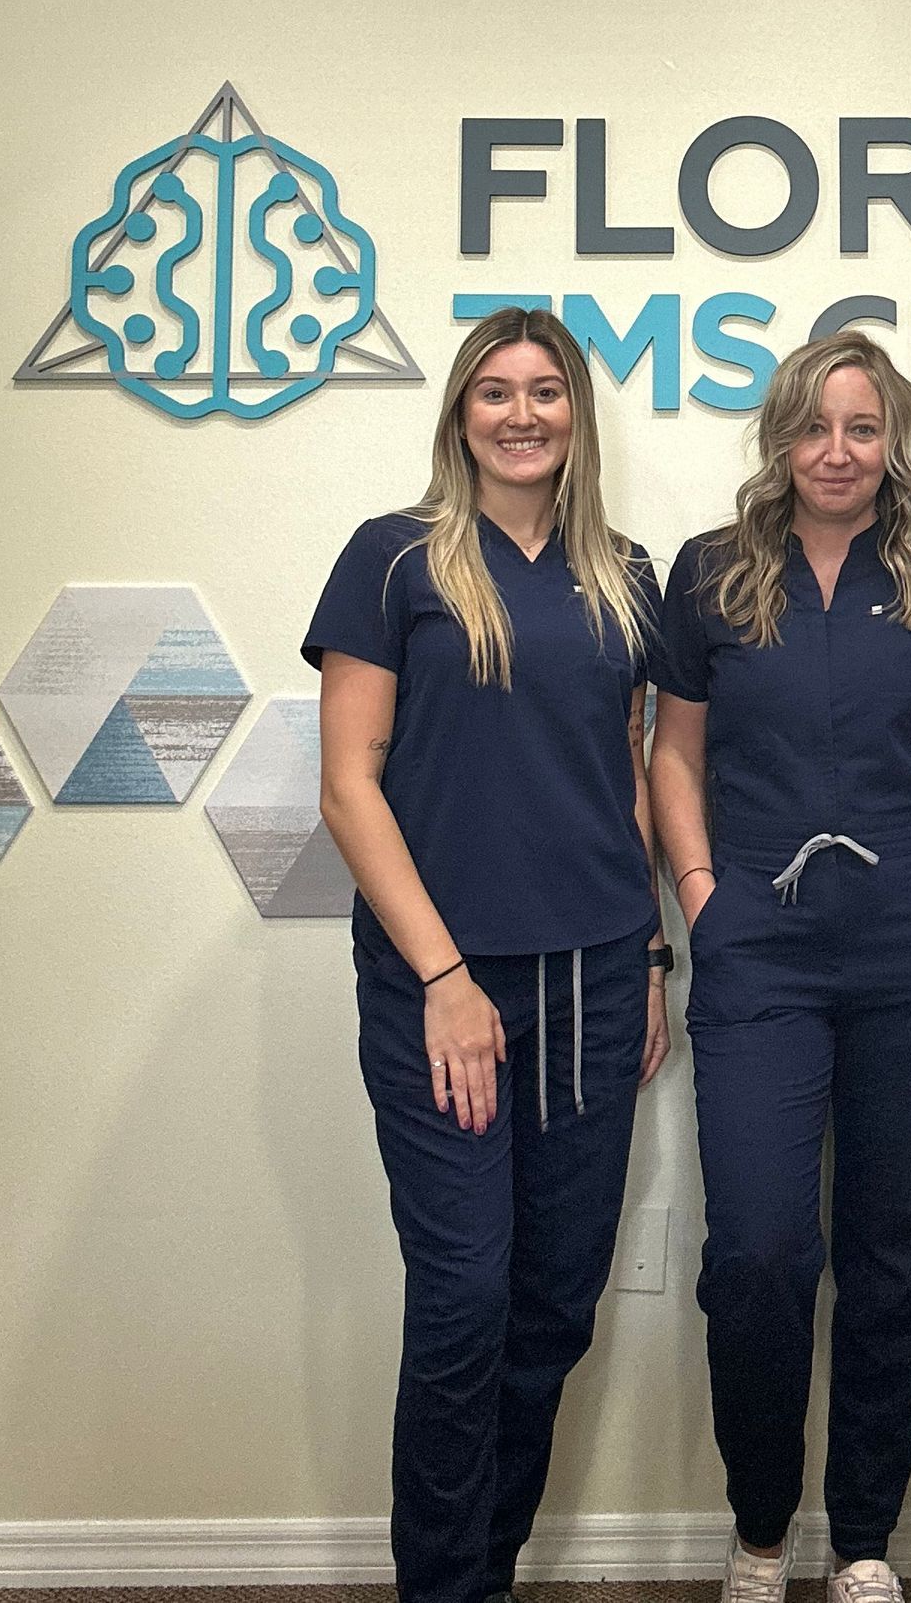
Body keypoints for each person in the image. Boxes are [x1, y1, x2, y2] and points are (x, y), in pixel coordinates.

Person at [305, 304, 670, 1603]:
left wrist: (648, 963)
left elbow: (626, 773)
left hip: (594, 970)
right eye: (495, 393)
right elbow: (350, 784)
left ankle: (483, 1576)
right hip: (442, 984)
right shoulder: (396, 561)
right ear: (459, 414)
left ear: (577, 413)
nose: (523, 415)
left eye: (547, 392)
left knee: (554, 1311)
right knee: (464, 1301)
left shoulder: (626, 574)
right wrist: (446, 981)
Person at [650, 331, 911, 1603]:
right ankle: (758, 1528)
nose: (837, 453)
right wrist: (701, 894)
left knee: (895, 1251)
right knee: (757, 1252)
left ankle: (860, 1539)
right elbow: (673, 754)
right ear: (779, 437)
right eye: (814, 427)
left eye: (862, 428)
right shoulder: (710, 574)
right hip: (761, 941)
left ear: (892, 437)